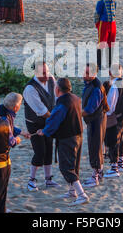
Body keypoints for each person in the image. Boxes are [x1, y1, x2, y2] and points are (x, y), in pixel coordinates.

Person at [37, 78, 89, 206]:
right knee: (74, 164)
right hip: (78, 135)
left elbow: (54, 121)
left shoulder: (62, 103)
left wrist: (44, 131)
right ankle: (72, 191)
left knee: (66, 167)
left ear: (57, 89)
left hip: (68, 138)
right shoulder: (75, 98)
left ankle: (82, 195)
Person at [22, 62, 59, 191]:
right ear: (36, 73)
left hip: (49, 120)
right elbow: (41, 111)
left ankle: (48, 179)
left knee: (49, 148)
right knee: (40, 152)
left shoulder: (51, 79)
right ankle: (31, 180)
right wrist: (56, 120)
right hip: (34, 122)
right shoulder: (30, 88)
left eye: (47, 71)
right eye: (43, 72)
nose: (47, 75)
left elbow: (56, 98)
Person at [81, 63, 109, 187]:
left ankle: (95, 176)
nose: (84, 75)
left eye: (87, 73)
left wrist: (75, 114)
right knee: (95, 146)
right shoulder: (90, 84)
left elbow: (90, 109)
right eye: (84, 72)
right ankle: (100, 172)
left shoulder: (97, 88)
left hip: (97, 120)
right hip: (94, 120)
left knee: (95, 146)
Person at [104, 64, 123, 177]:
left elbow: (111, 104)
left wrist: (106, 114)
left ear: (110, 73)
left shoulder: (114, 86)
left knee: (113, 140)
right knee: (121, 138)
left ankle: (114, 168)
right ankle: (120, 163)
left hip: (115, 117)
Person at [95, 0, 117, 70]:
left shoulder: (115, 2)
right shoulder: (101, 2)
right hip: (103, 24)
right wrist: (98, 26)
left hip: (112, 24)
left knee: (111, 44)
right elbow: (97, 15)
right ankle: (99, 64)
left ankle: (110, 63)